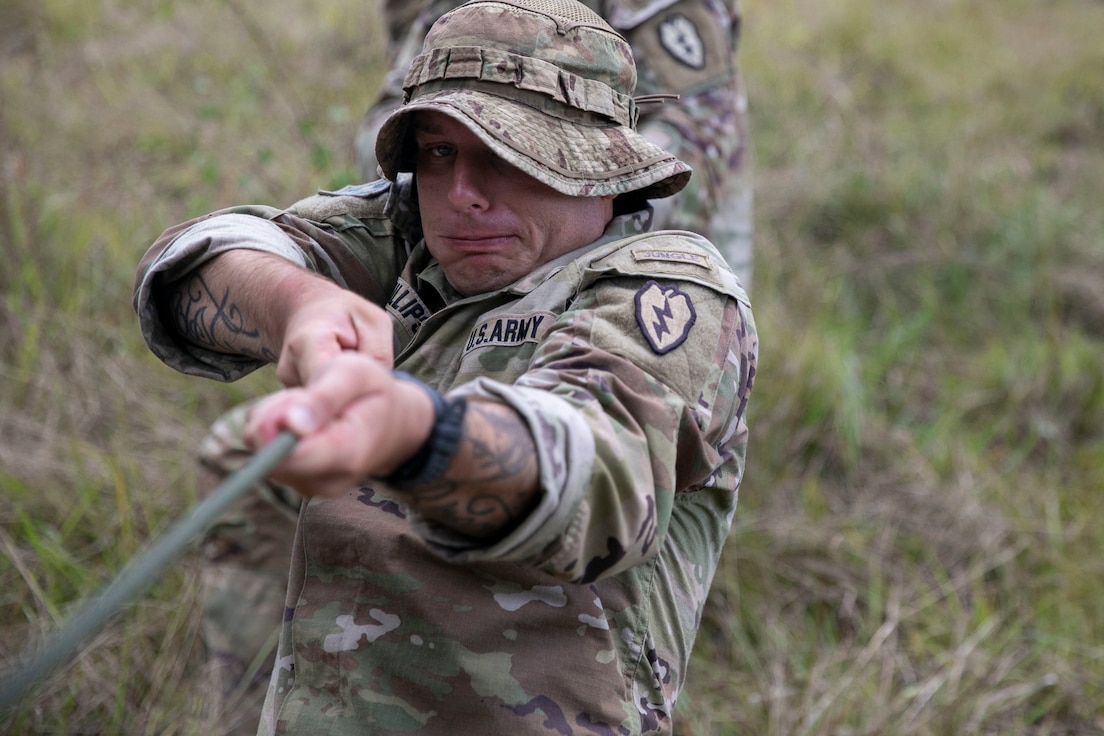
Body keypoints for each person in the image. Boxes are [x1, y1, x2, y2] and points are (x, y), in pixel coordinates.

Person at [134, 0, 757, 733]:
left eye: (510, 153)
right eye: (438, 151)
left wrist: (412, 434)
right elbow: (193, 263)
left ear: (601, 167)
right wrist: (295, 306)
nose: (462, 193)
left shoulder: (667, 288)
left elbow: (589, 474)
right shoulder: (409, 235)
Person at [356, 0, 754, 289]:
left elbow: (695, 139)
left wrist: (555, 180)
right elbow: (394, 110)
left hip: (653, 257)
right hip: (483, 266)